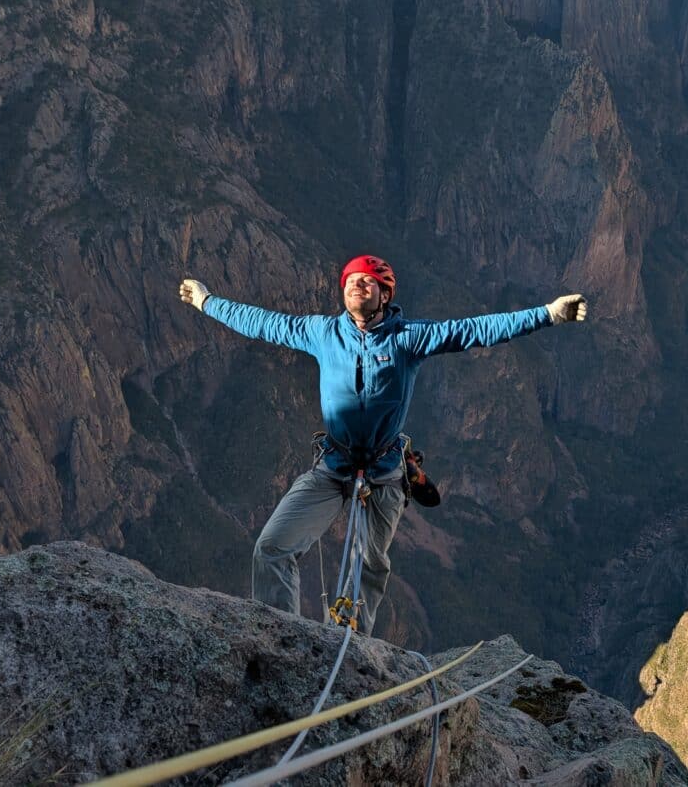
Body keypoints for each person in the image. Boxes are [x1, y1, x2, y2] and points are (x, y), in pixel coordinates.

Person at [178, 255, 587, 635]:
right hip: (333, 466)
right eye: (352, 281)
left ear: (384, 295)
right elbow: (261, 322)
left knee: (369, 565)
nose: (358, 286)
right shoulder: (323, 333)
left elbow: (474, 330)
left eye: (368, 282)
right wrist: (206, 301)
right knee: (272, 548)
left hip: (384, 473)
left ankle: (351, 649)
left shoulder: (407, 339)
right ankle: (282, 638)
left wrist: (549, 314)